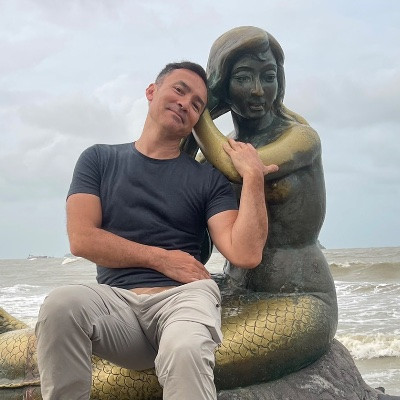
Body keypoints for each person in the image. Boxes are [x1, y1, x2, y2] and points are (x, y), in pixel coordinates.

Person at [35, 61, 278, 400]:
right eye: (179, 90)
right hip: (117, 305)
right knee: (60, 306)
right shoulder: (98, 160)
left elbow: (246, 253)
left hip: (184, 300)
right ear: (152, 91)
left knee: (185, 350)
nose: (185, 103)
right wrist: (162, 259)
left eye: (197, 104)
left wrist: (253, 176)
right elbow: (82, 238)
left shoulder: (207, 180)